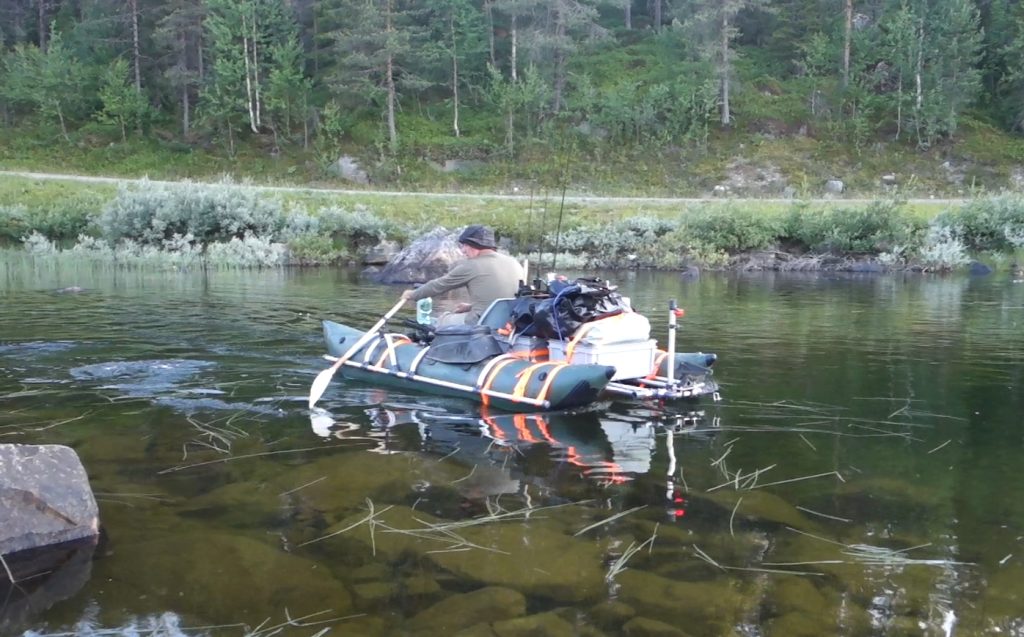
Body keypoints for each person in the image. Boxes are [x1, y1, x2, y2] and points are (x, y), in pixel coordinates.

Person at [401, 225, 524, 326]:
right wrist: (471, 307)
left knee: (440, 320)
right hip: (509, 322)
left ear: (473, 246)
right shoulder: (514, 262)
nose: (463, 251)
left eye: (464, 245)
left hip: (481, 323)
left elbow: (439, 285)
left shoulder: (472, 266)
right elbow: (504, 299)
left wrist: (413, 295)